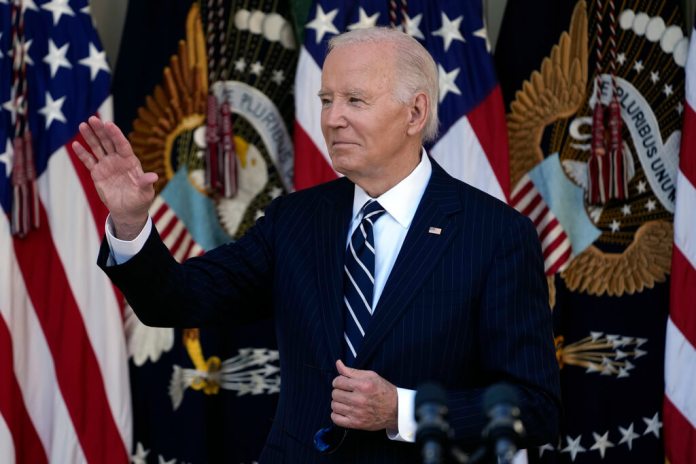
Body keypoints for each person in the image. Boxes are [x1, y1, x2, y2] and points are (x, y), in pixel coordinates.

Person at [74, 27, 560, 463]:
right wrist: (131, 220)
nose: (333, 119)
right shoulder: (294, 220)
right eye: (327, 100)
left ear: (415, 112)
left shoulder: (496, 235)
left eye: (355, 100)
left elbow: (533, 408)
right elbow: (176, 299)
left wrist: (402, 410)